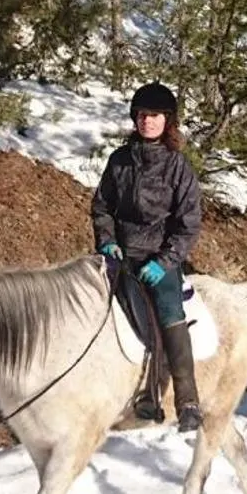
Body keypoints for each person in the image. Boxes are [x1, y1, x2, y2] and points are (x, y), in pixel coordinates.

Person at [91, 82, 205, 432]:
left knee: (169, 309)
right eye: (142, 114)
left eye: (154, 115)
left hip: (158, 258)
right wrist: (107, 240)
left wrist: (165, 261)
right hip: (120, 254)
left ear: (167, 121)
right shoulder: (120, 160)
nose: (147, 121)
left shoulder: (178, 167)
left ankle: (186, 399)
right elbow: (102, 207)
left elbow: (188, 225)